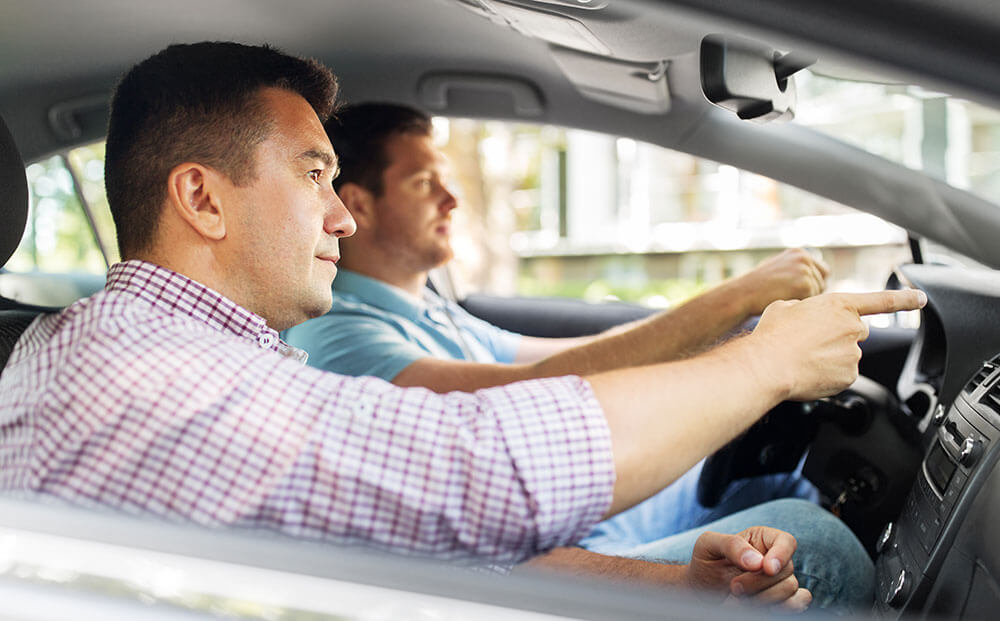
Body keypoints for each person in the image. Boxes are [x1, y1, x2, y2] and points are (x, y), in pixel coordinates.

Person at [0, 42, 924, 612]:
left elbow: (422, 532)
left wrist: (679, 587)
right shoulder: (141, 370)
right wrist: (763, 361)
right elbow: (484, 468)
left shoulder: (154, 349)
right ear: (202, 197)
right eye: (314, 175)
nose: (343, 217)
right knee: (832, 557)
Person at [281, 103, 843, 569]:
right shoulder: (339, 332)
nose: (451, 200)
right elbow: (532, 386)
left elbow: (578, 360)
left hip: (580, 518)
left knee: (779, 480)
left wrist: (737, 328)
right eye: (425, 183)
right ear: (358, 203)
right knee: (817, 543)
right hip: (556, 552)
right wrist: (741, 303)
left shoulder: (429, 309)